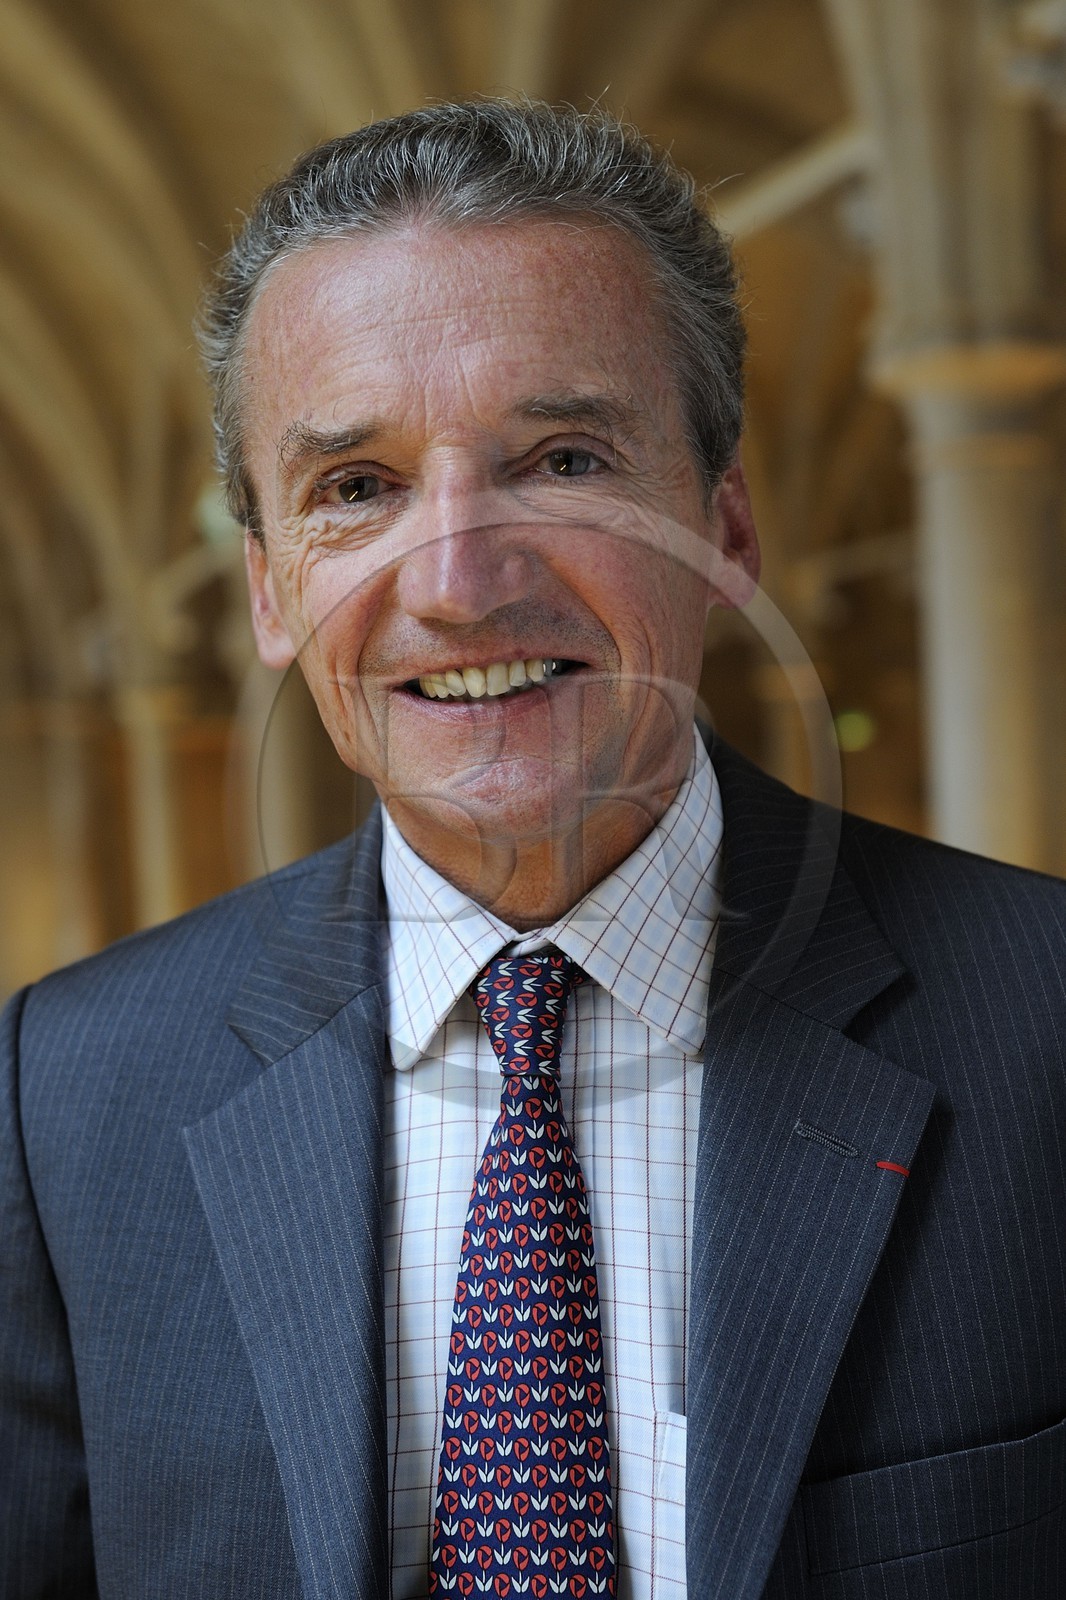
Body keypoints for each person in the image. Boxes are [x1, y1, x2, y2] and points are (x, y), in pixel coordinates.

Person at [2, 99, 1063, 1600]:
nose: (457, 583)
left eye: (562, 458)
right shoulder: (69, 1091)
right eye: (354, 489)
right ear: (267, 592)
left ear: (726, 529)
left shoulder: (1044, 1019)